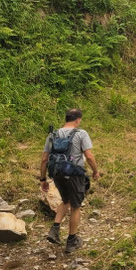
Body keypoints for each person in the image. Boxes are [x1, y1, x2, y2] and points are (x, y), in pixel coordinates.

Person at [38, 108, 99, 253]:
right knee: (76, 206)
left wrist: (43, 179)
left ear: (66, 119)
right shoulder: (81, 134)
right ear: (78, 119)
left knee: (66, 200)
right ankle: (72, 240)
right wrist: (96, 171)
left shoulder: (53, 135)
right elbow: (89, 156)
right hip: (74, 174)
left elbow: (44, 159)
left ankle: (55, 229)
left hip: (57, 173)